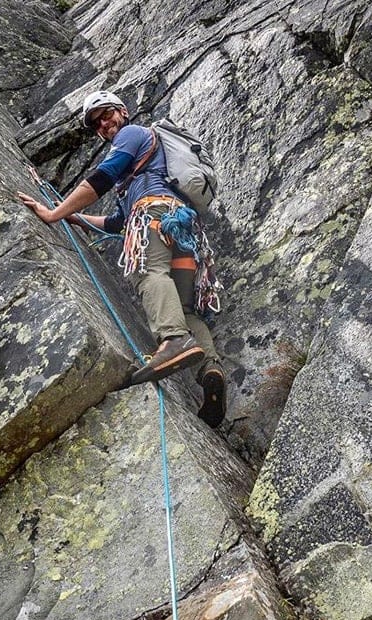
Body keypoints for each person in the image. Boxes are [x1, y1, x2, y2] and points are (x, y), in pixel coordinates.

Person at [18, 90, 226, 428]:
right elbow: (116, 223)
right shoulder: (140, 171)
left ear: (123, 111)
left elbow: (100, 178)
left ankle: (173, 340)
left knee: (148, 272)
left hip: (154, 216)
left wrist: (54, 214)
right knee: (185, 309)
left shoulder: (133, 134)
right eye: (97, 123)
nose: (103, 124)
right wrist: (74, 218)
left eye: (106, 114)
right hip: (184, 232)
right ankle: (210, 370)